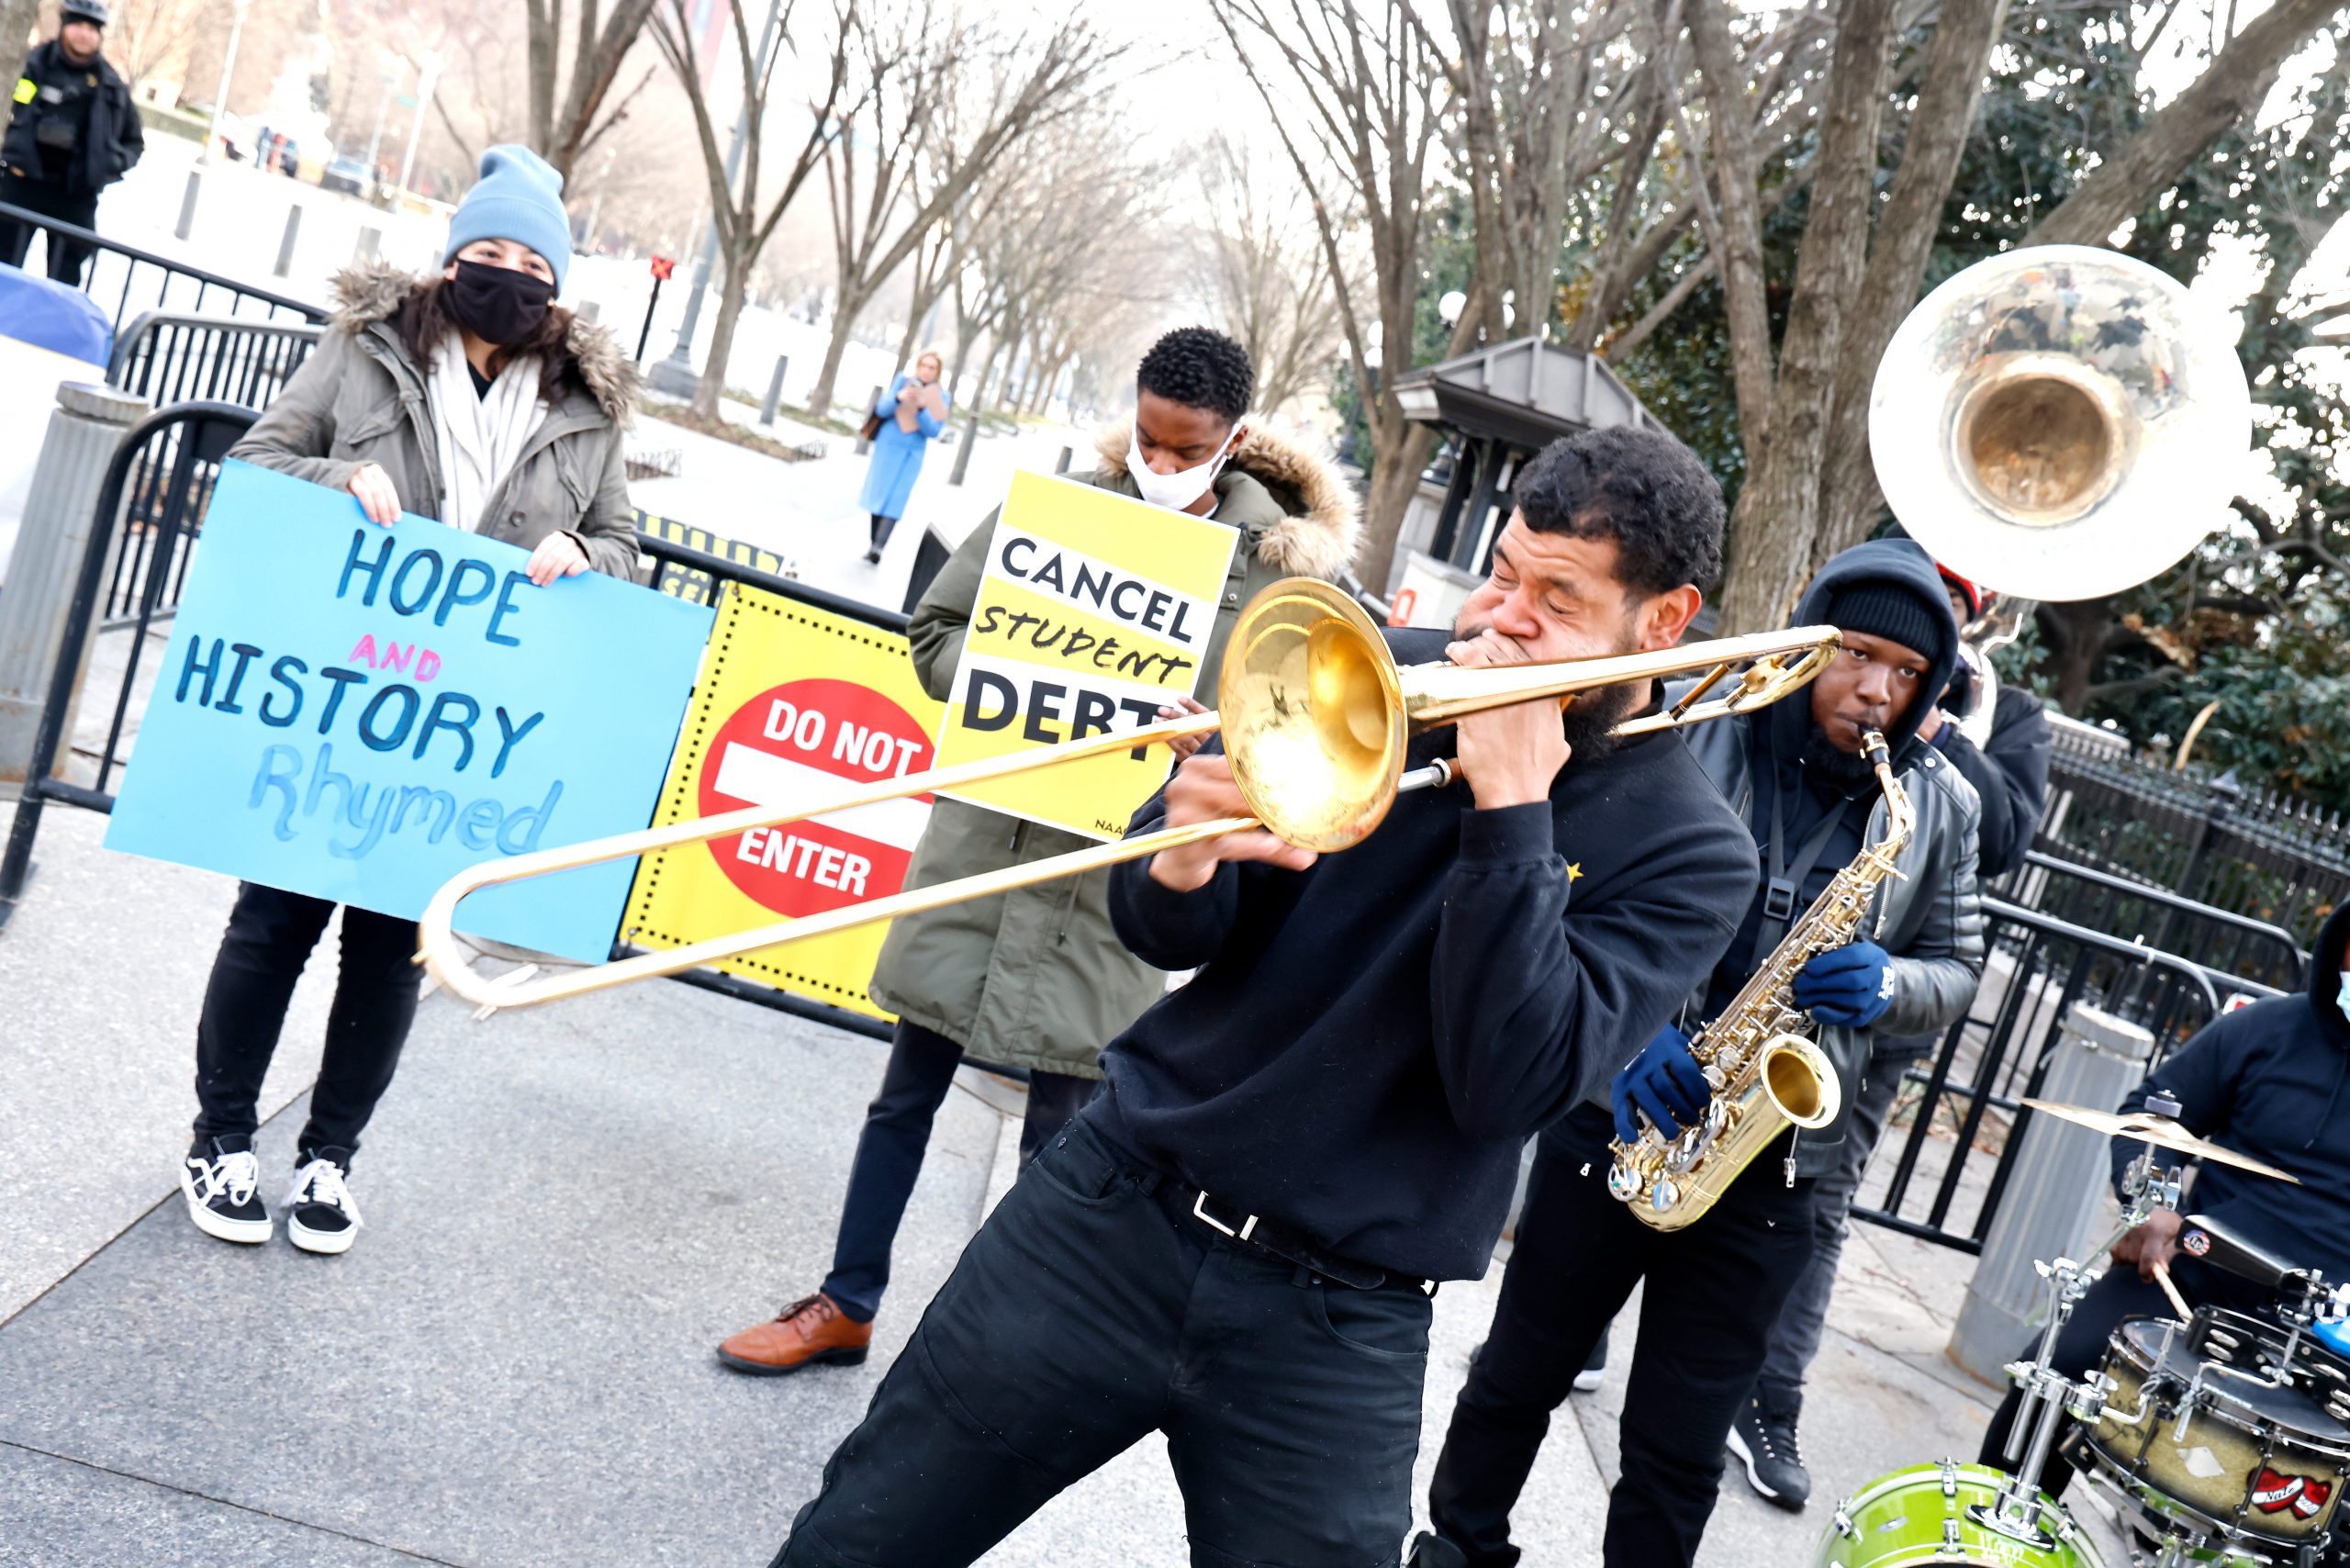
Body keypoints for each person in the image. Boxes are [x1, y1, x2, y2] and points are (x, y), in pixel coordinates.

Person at [758, 425, 1762, 1568]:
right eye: (1503, 573)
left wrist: (1511, 810)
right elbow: (1167, 925)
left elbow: (1508, 1082)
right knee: (858, 1540)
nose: (1503, 619)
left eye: (1559, 599)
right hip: (1112, 1214)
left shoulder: (1694, 850)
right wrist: (1176, 859)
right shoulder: (1378, 666)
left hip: (1340, 1319)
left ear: (1664, 621)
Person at [714, 327, 1360, 1377]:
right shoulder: (1053, 512)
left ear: (1233, 440)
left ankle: (989, 1352)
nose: (1156, 463)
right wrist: (1020, 670)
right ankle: (845, 1302)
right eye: (1144, 438)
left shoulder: (1278, 575)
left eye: (1183, 448)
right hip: (988, 841)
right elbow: (933, 636)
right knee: (905, 1088)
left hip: (1122, 875)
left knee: (1062, 1128)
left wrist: (1212, 734)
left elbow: (1287, 734)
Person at [1415, 537, 1985, 1568]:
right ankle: (1456, 1547)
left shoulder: (1935, 801)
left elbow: (1957, 967)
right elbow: (1574, 889)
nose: (1875, 690)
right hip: (1621, 1114)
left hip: (1772, 1164)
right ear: (1811, 643)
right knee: (1517, 1372)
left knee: (1678, 1451)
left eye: (1906, 675)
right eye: (1856, 654)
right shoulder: (1687, 728)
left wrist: (1890, 984)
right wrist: (1627, 1040)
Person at [174, 146, 643, 1255]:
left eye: (533, 261)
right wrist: (341, 482)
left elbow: (625, 544)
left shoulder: (588, 407)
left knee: (393, 948)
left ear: (559, 287)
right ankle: (221, 1138)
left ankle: (330, 1159)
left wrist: (587, 554)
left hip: (455, 726)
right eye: (486, 252)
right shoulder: (364, 355)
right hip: (338, 690)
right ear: (448, 261)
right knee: (275, 920)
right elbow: (252, 465)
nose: (506, 275)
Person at [1721, 556, 2057, 1510]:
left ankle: (1770, 1400)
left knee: (1817, 1201)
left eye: (1950, 611)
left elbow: (2005, 839)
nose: (1888, 673)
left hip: (1871, 1005)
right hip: (1751, 959)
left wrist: (1935, 722)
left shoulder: (2007, 716)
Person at [1976, 897, 2350, 1518]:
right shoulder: (2263, 1030)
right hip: (2191, 1282)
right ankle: (1996, 1531)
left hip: (2329, 1335)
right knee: (2065, 1365)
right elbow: (2153, 1114)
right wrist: (2150, 1200)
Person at [0, 0, 142, 286]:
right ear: (65, 26)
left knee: (64, 281)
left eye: (92, 28)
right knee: (4, 267)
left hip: (75, 195)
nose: (84, 33)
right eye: (78, 24)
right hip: (22, 183)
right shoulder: (32, 65)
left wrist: (106, 164)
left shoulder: (111, 85)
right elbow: (13, 106)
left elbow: (134, 142)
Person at [857, 351, 949, 564]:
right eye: (923, 365)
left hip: (912, 452)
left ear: (938, 372)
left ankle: (878, 547)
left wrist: (921, 409)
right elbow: (881, 409)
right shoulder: (902, 381)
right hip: (888, 446)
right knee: (878, 496)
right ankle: (873, 542)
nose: (926, 371)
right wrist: (899, 398)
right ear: (917, 366)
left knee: (897, 498)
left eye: (931, 367)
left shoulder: (941, 396)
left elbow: (934, 431)